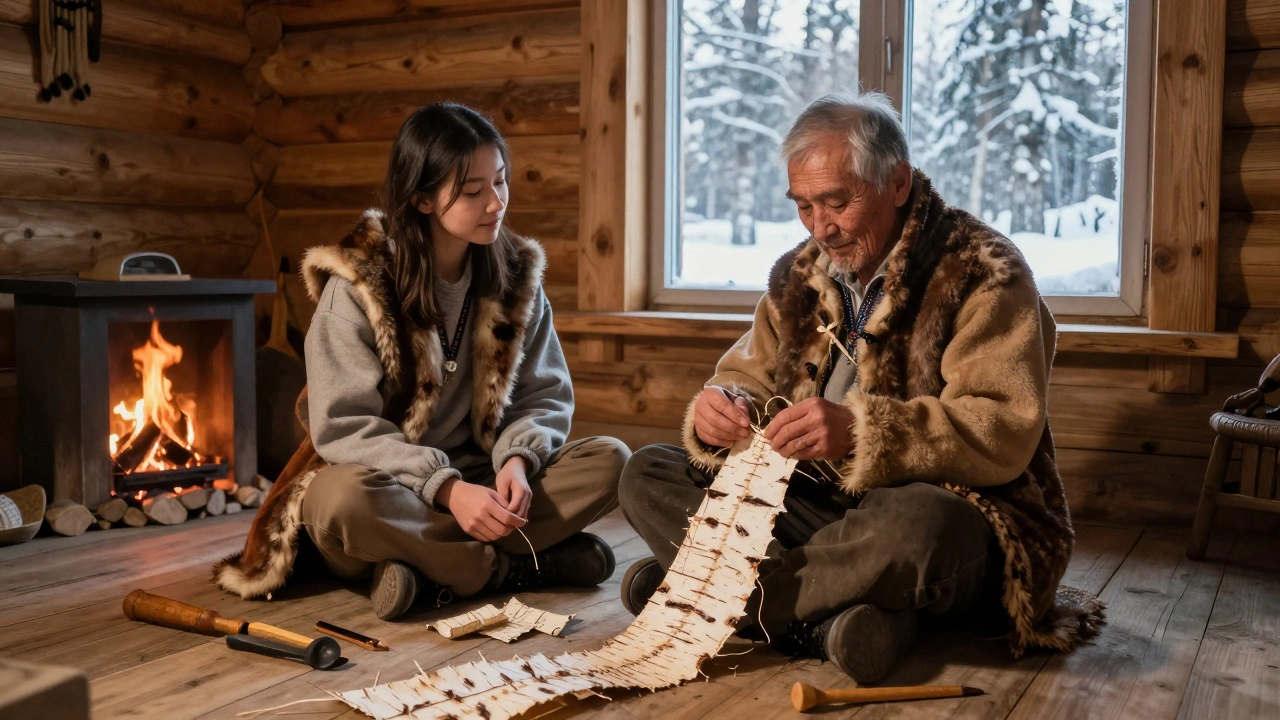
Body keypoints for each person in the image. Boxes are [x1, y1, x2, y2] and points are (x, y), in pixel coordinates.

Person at [618, 91, 1102, 684]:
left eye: (837, 203)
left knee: (921, 525)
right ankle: (828, 621)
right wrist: (723, 410)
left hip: (952, 515)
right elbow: (746, 373)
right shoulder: (798, 273)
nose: (821, 228)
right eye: (803, 207)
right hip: (816, 509)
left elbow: (1000, 428)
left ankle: (709, 600)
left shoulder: (983, 271)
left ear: (897, 183)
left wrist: (862, 432)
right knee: (648, 472)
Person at [215, 103, 629, 620]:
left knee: (611, 458)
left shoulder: (517, 279)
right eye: (473, 191)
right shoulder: (359, 288)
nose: (495, 202)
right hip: (387, 483)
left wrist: (518, 463)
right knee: (336, 501)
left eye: (500, 182)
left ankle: (419, 566)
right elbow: (343, 429)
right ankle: (509, 568)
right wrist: (447, 491)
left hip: (481, 472)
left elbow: (542, 397)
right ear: (422, 199)